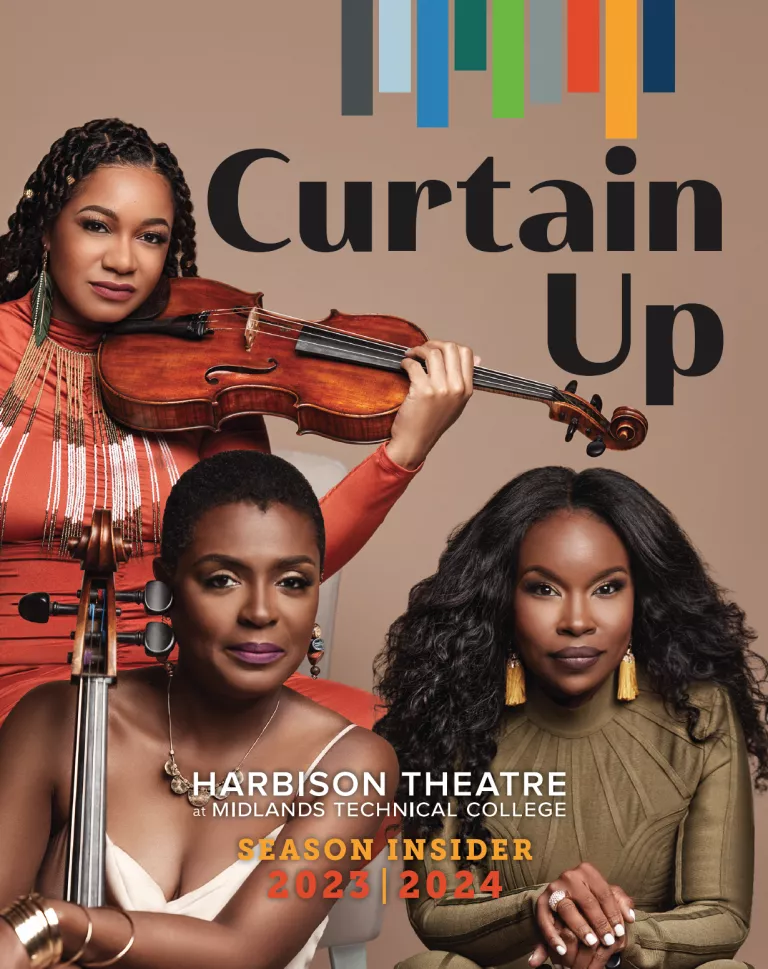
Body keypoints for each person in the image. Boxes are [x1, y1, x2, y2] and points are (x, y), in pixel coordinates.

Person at [0, 117, 476, 728]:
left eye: (150, 238)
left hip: (185, 683)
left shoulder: (201, 370)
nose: (122, 260)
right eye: (96, 226)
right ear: (47, 231)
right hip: (21, 691)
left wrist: (404, 450)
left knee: (385, 740)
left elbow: (279, 554)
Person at [0, 449, 399, 968]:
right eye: (222, 580)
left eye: (293, 582)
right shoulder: (55, 720)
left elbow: (246, 954)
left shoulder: (354, 764)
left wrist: (58, 924)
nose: (260, 612)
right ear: (167, 587)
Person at [374, 466, 766, 969]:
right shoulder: (455, 709)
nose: (578, 621)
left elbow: (722, 915)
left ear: (639, 596)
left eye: (606, 589)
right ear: (502, 596)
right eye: (544, 589)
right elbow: (434, 908)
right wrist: (540, 907)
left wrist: (620, 938)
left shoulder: (698, 710)